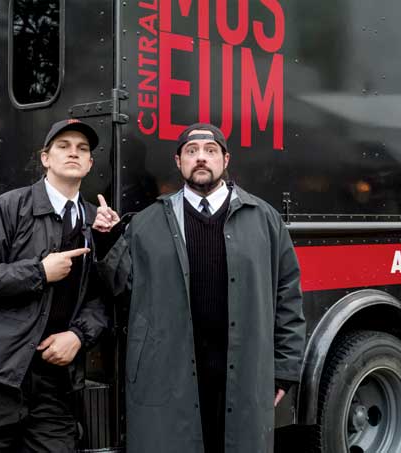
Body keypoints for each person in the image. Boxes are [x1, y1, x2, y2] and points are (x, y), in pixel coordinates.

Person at [98, 123, 306, 453]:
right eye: (191, 151)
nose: (201, 158)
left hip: (240, 373)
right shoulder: (146, 223)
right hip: (171, 376)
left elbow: (288, 298)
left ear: (225, 159)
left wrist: (284, 370)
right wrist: (108, 239)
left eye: (210, 151)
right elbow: (121, 289)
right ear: (178, 161)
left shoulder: (265, 220)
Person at [0, 119, 118, 452]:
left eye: (82, 149)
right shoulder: (11, 207)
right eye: (63, 146)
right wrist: (39, 272)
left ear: (89, 164)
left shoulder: (95, 222)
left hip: (54, 380)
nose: (73, 153)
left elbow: (103, 298)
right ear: (45, 158)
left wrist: (78, 336)